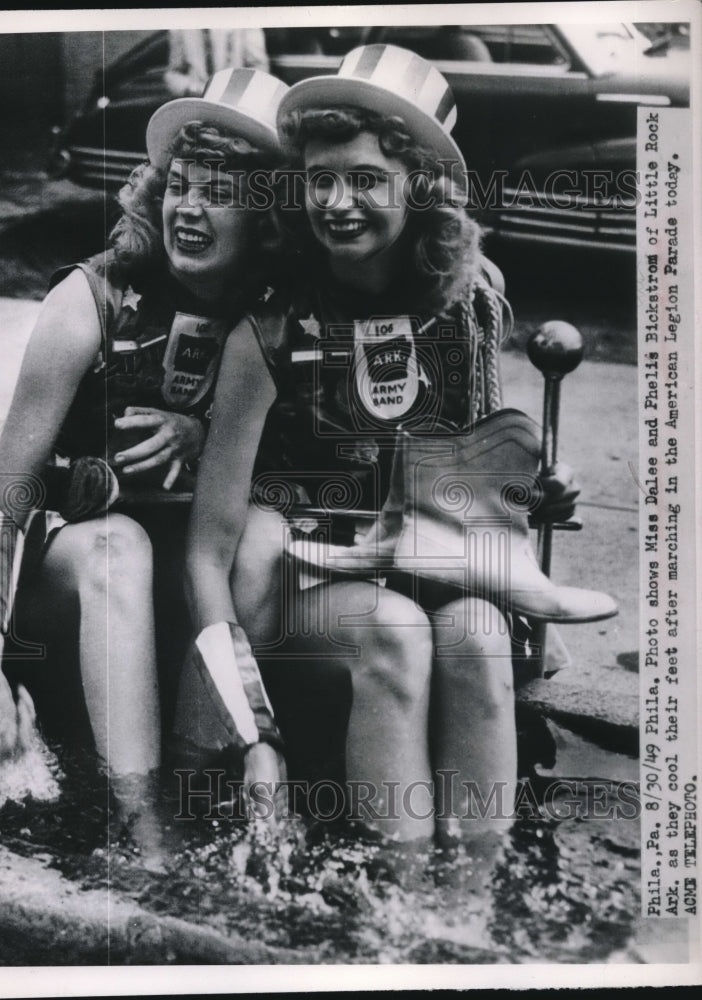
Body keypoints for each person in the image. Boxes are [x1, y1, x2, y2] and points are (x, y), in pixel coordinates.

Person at [184, 45, 608, 846]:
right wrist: (250, 725)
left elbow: (478, 486)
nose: (337, 203)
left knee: (480, 638)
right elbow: (209, 552)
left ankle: (471, 907)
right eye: (320, 178)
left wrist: (538, 490)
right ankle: (403, 902)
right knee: (396, 630)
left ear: (418, 187)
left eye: (367, 179)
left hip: (429, 562)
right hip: (295, 583)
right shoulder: (272, 328)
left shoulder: (470, 302)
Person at [0, 67, 289, 862]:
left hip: (182, 587)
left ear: (270, 217)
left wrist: (208, 437)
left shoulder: (274, 316)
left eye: (223, 192)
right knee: (116, 546)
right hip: (62, 570)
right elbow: (4, 501)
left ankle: (215, 761)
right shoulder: (90, 299)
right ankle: (139, 829)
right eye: (181, 185)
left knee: (267, 534)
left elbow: (308, 474)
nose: (190, 209)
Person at [164, 28, 269, 99]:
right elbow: (173, 73)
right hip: (197, 103)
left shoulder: (244, 20)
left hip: (235, 102)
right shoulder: (180, 27)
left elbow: (260, 68)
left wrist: (234, 91)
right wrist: (191, 88)